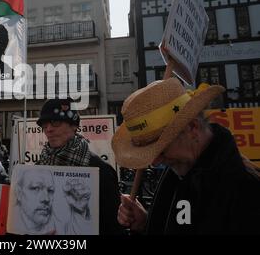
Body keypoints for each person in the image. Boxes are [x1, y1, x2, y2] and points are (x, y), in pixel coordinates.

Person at [113, 78, 260, 234]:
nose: (155, 162)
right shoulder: (183, 172)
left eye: (161, 149)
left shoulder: (247, 191)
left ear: (192, 127)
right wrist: (146, 224)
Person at [35, 98, 123, 235]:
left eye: (55, 122)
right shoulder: (37, 168)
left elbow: (113, 228)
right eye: (44, 125)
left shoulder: (101, 171)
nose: (49, 129)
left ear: (74, 126)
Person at [13, 168, 61, 235]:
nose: (46, 199)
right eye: (36, 188)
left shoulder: (60, 226)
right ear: (19, 193)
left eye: (50, 190)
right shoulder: (6, 223)